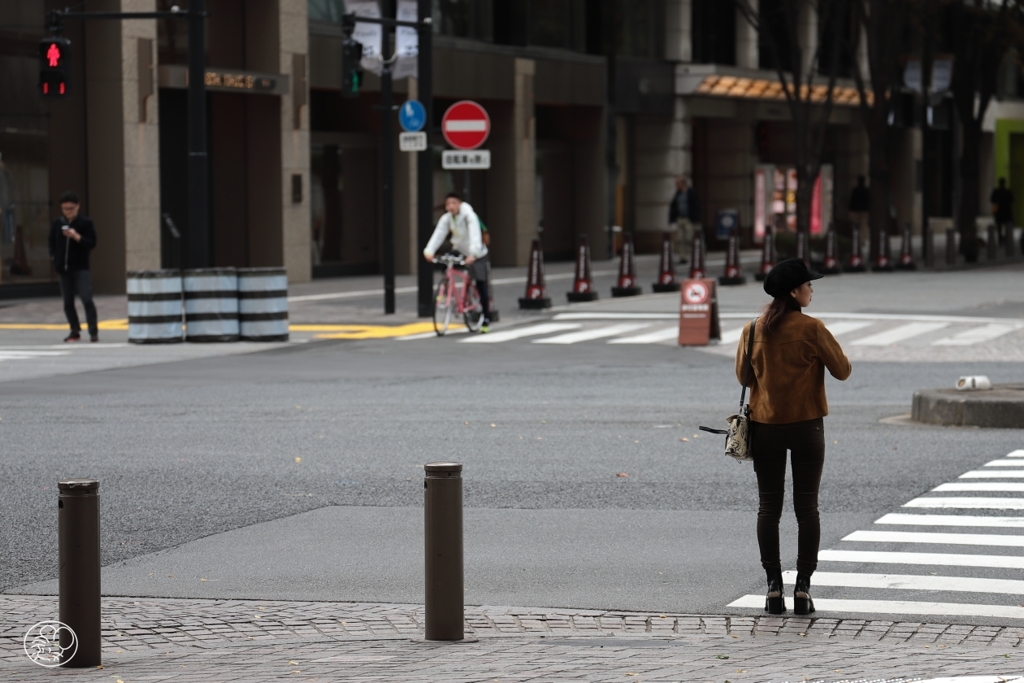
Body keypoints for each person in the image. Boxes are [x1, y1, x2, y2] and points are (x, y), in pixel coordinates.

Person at [735, 258, 851, 615]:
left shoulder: (753, 330)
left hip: (766, 427)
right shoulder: (813, 329)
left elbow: (743, 377)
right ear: (794, 291)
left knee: (769, 509)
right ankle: (803, 588)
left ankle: (773, 588)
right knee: (806, 509)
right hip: (807, 427)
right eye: (808, 285)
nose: (812, 290)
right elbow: (843, 371)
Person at [423, 192, 492, 333]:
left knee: (480, 284)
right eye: (448, 204)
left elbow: (475, 235)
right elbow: (439, 234)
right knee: (445, 262)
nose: (450, 206)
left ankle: (486, 318)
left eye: (453, 203)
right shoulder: (447, 218)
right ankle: (446, 289)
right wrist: (429, 250)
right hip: (460, 249)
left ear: (460, 203)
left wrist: (473, 254)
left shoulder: (469, 216)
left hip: (477, 251)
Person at [48, 191, 98, 342]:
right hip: (63, 268)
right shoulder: (58, 223)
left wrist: (76, 236)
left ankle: (93, 332)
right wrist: (54, 257)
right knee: (68, 301)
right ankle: (74, 330)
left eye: (71, 208)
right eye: (65, 209)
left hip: (80, 267)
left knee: (86, 298)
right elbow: (51, 242)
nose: (68, 212)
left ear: (78, 206)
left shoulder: (85, 223)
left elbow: (92, 243)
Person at [668, 176, 700, 264]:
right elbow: (673, 207)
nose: (676, 185)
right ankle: (683, 257)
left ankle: (691, 255)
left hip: (689, 219)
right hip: (680, 218)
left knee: (689, 238)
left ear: (683, 183)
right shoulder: (678, 194)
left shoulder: (691, 192)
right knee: (680, 238)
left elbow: (696, 206)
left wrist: (697, 219)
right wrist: (671, 219)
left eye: (678, 183)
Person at [848, 175, 870, 256]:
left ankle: (857, 240)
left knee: (856, 227)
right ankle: (863, 240)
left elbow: (851, 201)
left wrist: (850, 210)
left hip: (855, 210)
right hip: (864, 211)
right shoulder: (866, 190)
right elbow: (868, 201)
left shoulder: (855, 190)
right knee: (863, 226)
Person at [990, 178, 1014, 246]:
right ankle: (1007, 239)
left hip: (999, 211)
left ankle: (1000, 240)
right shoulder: (1007, 191)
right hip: (1007, 211)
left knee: (999, 227)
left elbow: (992, 200)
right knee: (1007, 227)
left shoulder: (996, 192)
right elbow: (1012, 200)